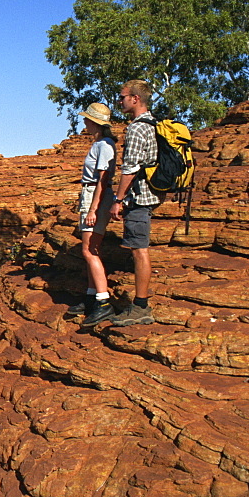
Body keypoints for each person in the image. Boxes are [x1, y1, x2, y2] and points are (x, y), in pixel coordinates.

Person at [108, 79, 163, 326]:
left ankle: (141, 307)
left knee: (139, 250)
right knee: (138, 248)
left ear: (135, 99)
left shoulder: (138, 128)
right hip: (149, 193)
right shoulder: (153, 123)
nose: (120, 101)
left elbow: (130, 168)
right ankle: (140, 304)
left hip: (140, 197)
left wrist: (118, 200)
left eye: (122, 97)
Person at [70, 103, 117, 327]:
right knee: (89, 249)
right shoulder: (99, 143)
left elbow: (103, 179)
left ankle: (103, 301)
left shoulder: (105, 145)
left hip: (95, 196)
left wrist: (93, 209)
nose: (84, 123)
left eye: (86, 119)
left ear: (95, 122)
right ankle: (91, 298)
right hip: (90, 194)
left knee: (89, 251)